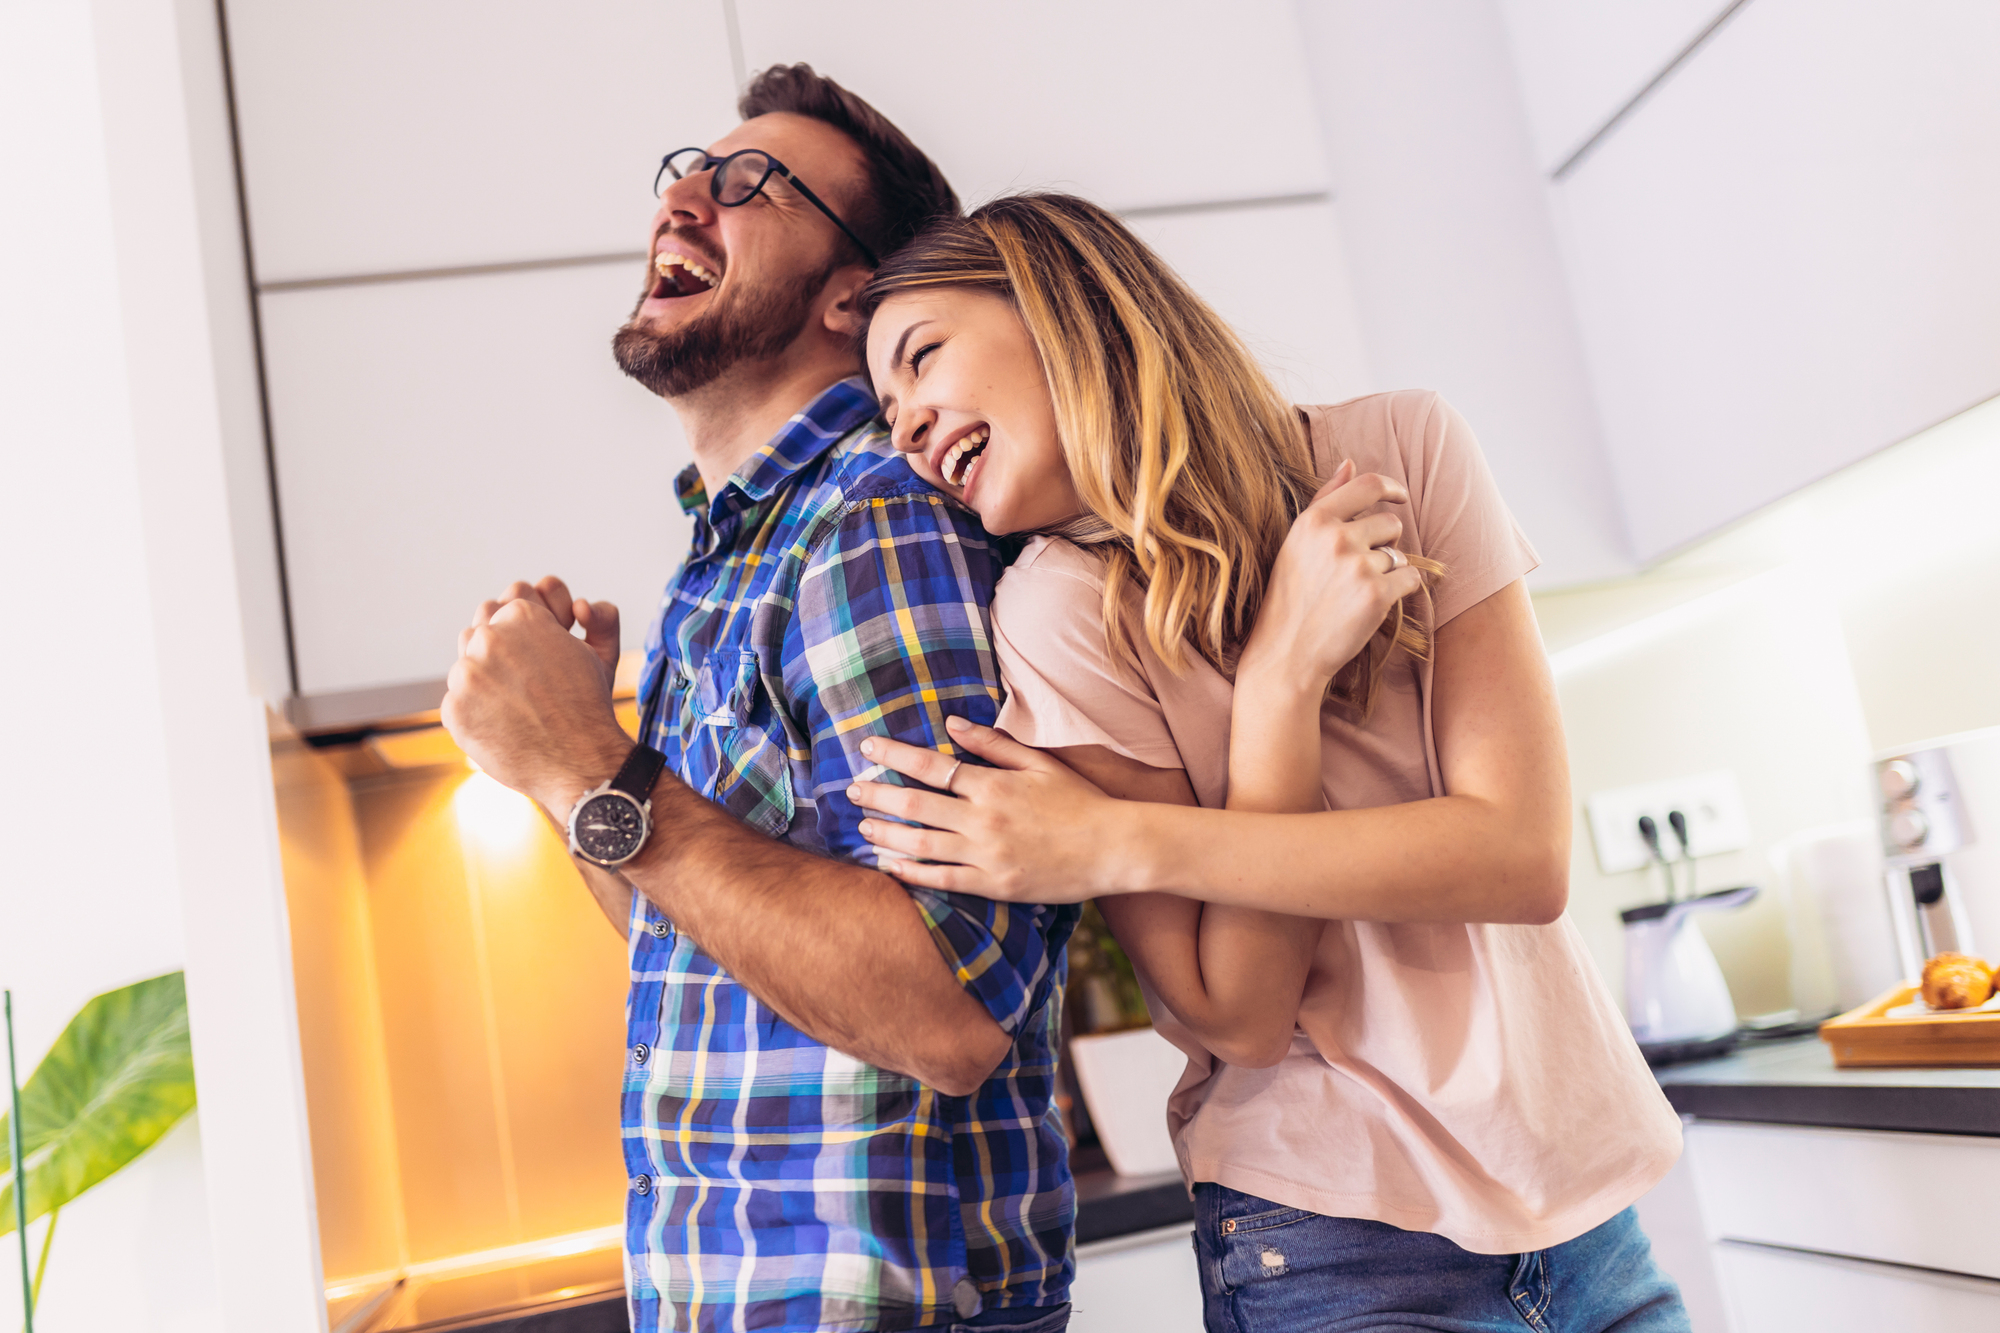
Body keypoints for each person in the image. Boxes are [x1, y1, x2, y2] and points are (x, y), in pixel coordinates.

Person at [850, 193, 1691, 1332]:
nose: (902, 424)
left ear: (1059, 301)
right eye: (886, 409)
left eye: (920, 357)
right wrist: (1280, 682)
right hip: (1328, 1234)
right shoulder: (1056, 611)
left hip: (1582, 1210)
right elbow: (1236, 1012)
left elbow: (1519, 855)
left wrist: (1111, 837)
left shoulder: (1399, 451)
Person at [442, 70, 1077, 1333]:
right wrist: (568, 768)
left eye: (747, 183)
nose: (682, 196)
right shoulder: (734, 557)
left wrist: (580, 763)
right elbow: (698, 939)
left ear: (854, 293)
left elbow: (946, 1013)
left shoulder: (871, 520)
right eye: (688, 169)